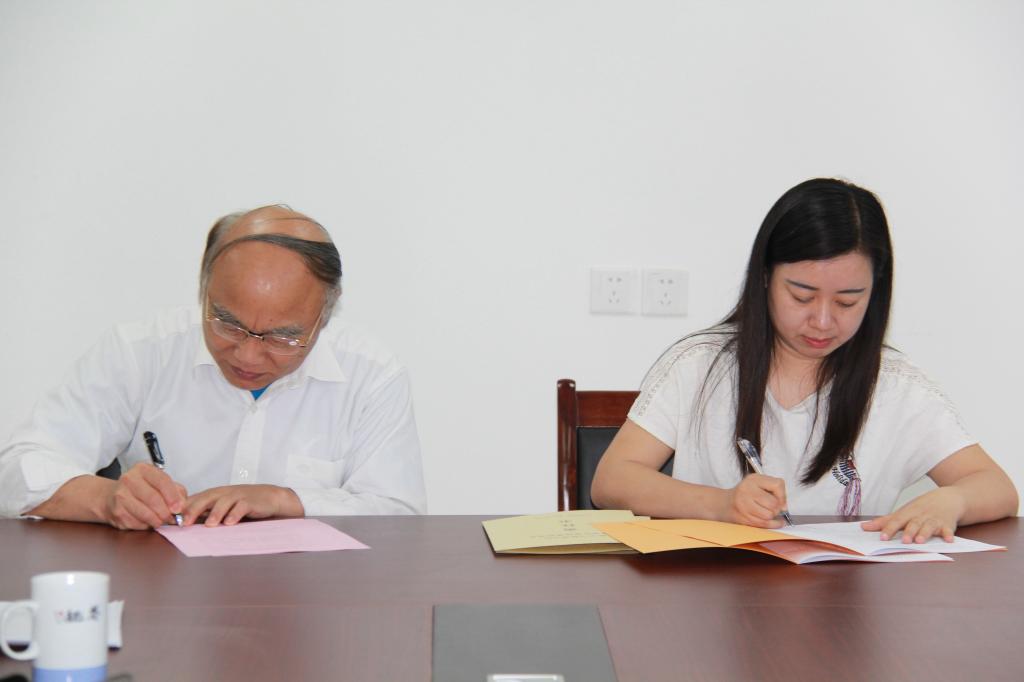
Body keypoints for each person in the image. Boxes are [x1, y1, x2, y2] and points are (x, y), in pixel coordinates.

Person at [591, 178, 1017, 543]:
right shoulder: (700, 367)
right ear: (764, 277)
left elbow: (997, 487)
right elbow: (612, 481)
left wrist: (952, 500)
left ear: (876, 292)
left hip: (846, 601)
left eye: (848, 301)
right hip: (713, 592)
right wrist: (721, 504)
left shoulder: (897, 387)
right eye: (801, 296)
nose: (823, 321)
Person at [0, 205, 426, 529]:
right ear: (203, 290)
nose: (247, 356)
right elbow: (17, 469)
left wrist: (287, 501)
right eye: (227, 324)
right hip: (161, 593)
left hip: (309, 601)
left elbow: (400, 515)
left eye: (281, 338)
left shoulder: (370, 375)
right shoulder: (140, 351)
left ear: (325, 316)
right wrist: (107, 499)